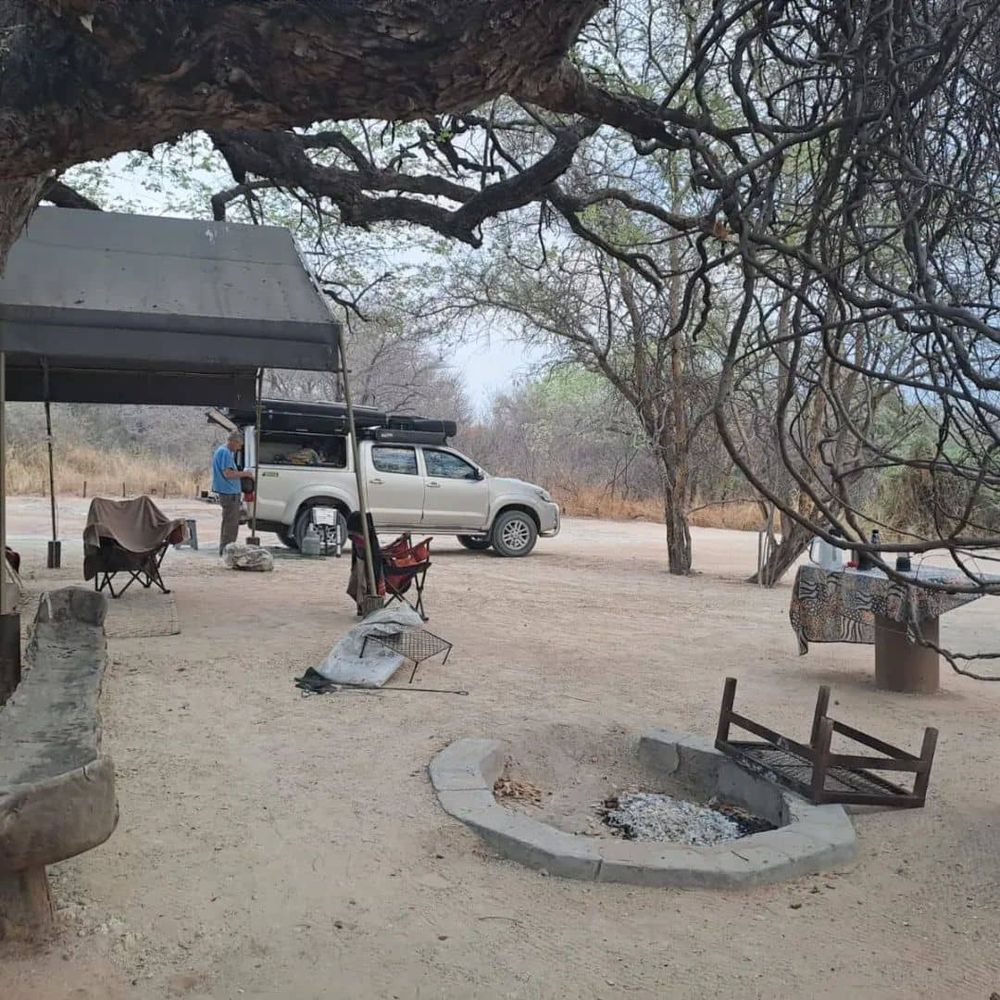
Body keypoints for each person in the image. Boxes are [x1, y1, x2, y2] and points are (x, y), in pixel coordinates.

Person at [212, 430, 254, 555]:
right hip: (229, 493)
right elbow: (228, 474)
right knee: (231, 524)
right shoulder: (225, 452)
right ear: (233, 441)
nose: (239, 448)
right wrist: (246, 474)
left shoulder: (223, 451)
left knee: (228, 522)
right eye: (239, 444)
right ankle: (227, 550)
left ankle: (225, 549)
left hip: (228, 492)